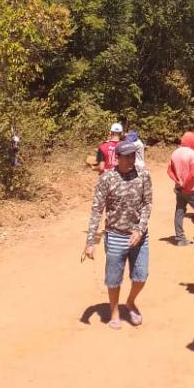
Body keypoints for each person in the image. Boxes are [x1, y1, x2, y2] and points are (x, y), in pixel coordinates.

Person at [84, 140, 152, 329]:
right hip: (115, 235)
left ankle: (130, 302)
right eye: (127, 156)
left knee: (141, 276)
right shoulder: (107, 179)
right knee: (113, 279)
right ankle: (114, 311)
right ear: (118, 158)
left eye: (133, 155)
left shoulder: (143, 175)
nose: (131, 159)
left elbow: (147, 204)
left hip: (139, 236)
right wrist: (90, 241)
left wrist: (140, 229)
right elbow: (97, 210)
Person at [168, 131, 194, 245]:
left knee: (179, 212)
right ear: (191, 142)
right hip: (191, 190)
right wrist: (185, 184)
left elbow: (169, 170)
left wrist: (177, 181)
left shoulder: (174, 153)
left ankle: (180, 239)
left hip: (179, 189)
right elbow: (193, 173)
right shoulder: (192, 154)